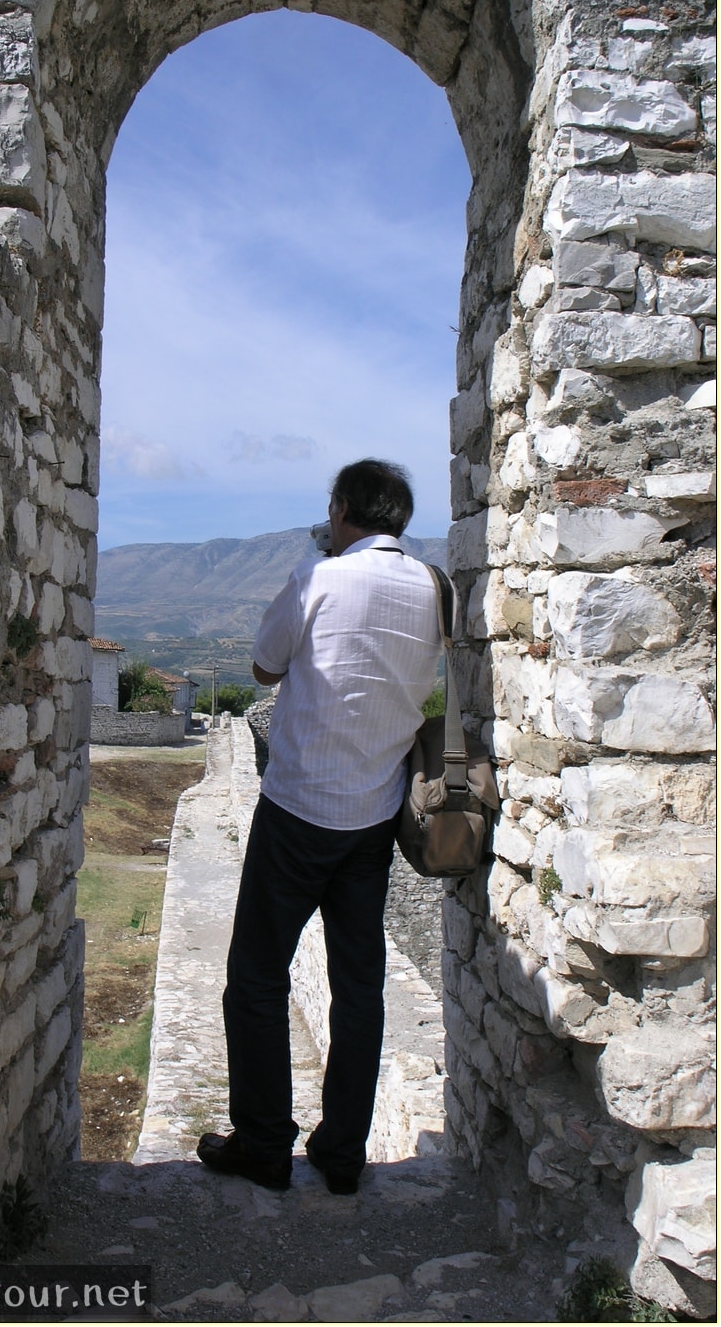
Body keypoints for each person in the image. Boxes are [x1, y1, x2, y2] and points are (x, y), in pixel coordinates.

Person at [197, 459, 441, 1194]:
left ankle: (267, 1142)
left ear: (342, 511)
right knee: (360, 987)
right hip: (374, 820)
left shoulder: (320, 578)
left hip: (299, 808)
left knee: (256, 976)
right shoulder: (436, 588)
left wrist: (317, 568)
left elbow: (264, 665)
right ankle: (341, 1154)